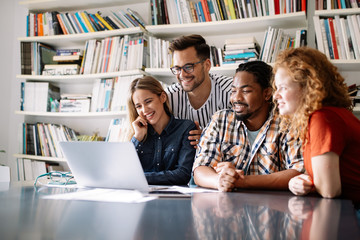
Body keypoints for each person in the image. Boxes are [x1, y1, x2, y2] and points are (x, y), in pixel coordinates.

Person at [193, 60, 304, 192]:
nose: (236, 98)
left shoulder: (286, 123)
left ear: (267, 94)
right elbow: (200, 169)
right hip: (227, 207)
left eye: (245, 91)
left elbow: (298, 171)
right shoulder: (220, 120)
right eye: (233, 91)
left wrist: (242, 181)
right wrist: (220, 181)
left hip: (274, 207)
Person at [273, 47, 360, 205]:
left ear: (307, 87)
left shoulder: (323, 118)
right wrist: (301, 181)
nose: (275, 95)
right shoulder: (325, 115)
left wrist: (311, 185)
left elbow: (329, 191)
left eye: (283, 88)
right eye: (276, 88)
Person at [127, 76, 196, 185]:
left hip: (174, 199)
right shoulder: (138, 135)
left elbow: (182, 174)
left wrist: (139, 178)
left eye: (148, 101)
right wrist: (137, 138)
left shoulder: (186, 128)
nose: (144, 110)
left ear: (163, 97)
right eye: (139, 106)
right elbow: (124, 171)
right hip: (140, 197)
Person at [167, 34, 233, 147]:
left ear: (207, 65)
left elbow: (244, 137)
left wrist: (209, 139)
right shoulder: (168, 97)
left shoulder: (231, 92)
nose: (182, 75)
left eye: (188, 67)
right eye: (177, 68)